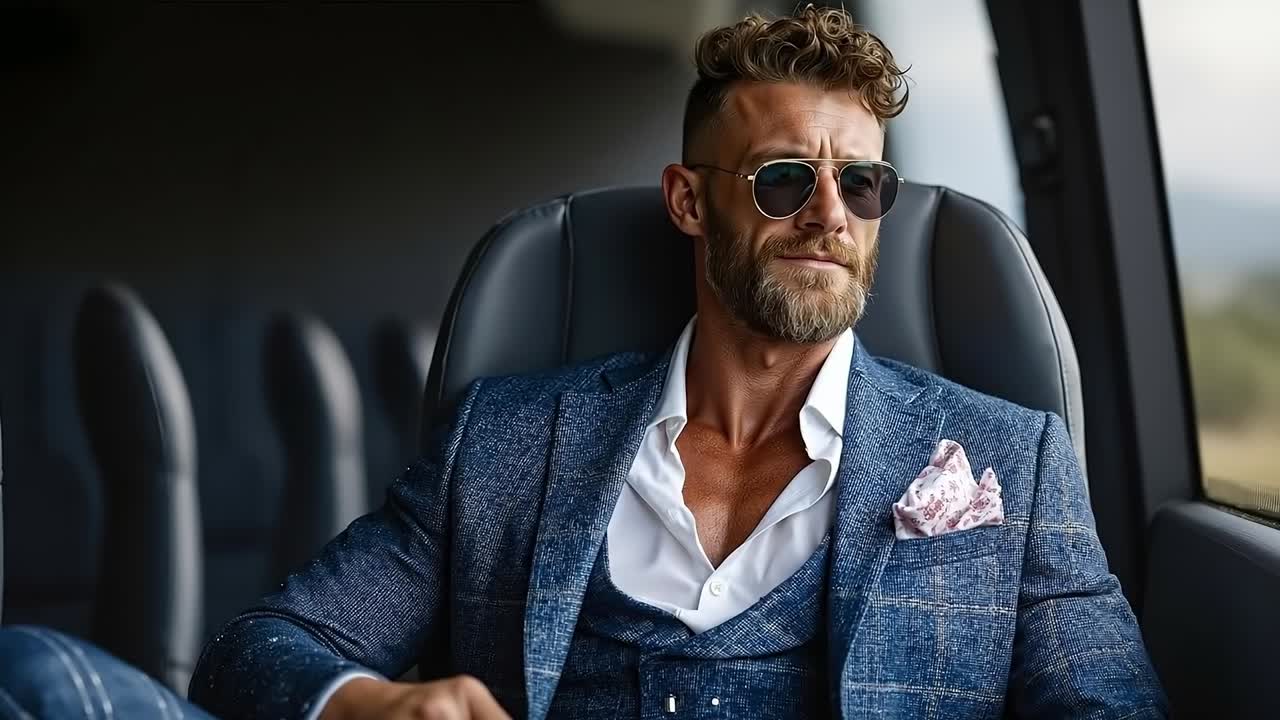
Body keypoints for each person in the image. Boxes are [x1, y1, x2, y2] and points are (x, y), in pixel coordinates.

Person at [0, 6, 1167, 719]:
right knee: (39, 677)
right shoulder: (504, 442)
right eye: (779, 180)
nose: (828, 214)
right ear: (686, 202)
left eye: (859, 183)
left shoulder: (1008, 463)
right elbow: (256, 653)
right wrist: (373, 704)